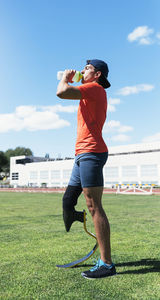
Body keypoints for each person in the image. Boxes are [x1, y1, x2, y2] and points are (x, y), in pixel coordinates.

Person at [56, 59, 116, 279]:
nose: (82, 71)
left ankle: (107, 264)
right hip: (81, 154)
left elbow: (61, 93)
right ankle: (76, 216)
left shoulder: (94, 88)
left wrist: (65, 78)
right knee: (68, 200)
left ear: (97, 74)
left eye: (87, 68)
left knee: (94, 206)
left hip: (92, 153)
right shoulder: (89, 90)